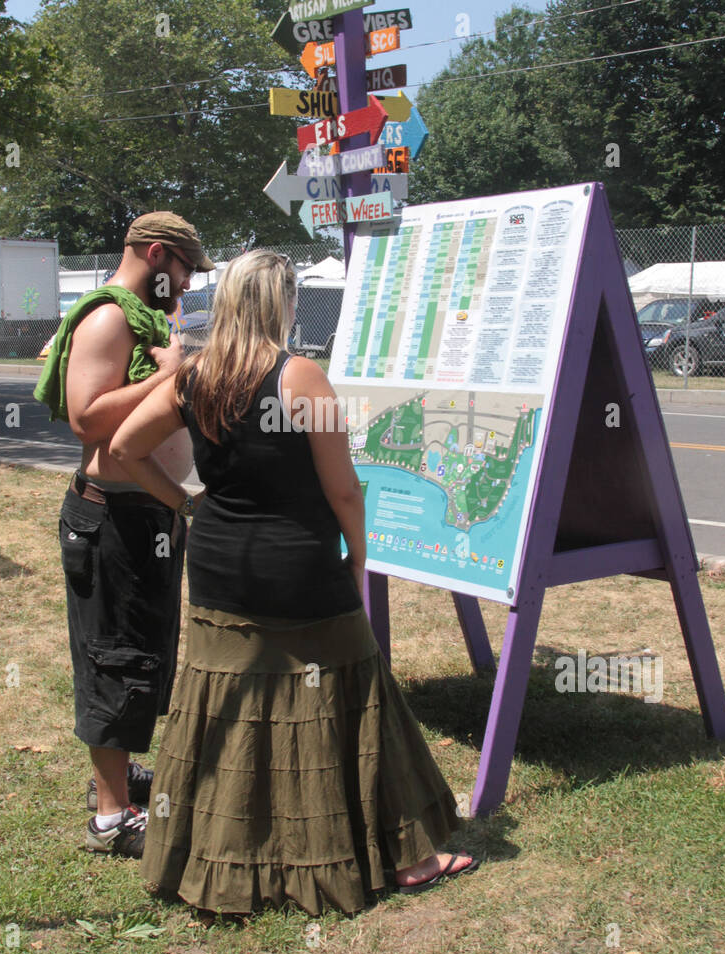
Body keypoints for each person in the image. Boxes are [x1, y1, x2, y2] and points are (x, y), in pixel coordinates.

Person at [109, 249, 479, 915]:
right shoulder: (300, 376)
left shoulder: (193, 378)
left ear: (226, 302)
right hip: (302, 567)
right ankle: (411, 859)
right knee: (355, 696)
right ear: (279, 303)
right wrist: (359, 559)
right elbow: (343, 490)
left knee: (228, 705)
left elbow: (122, 450)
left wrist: (185, 501)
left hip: (221, 567)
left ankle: (209, 857)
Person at [34, 211, 214, 859]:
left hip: (141, 513)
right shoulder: (110, 317)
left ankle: (115, 776)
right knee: (113, 651)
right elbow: (88, 418)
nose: (188, 286)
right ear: (158, 253)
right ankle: (112, 817)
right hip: (110, 516)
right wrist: (174, 373)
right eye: (185, 271)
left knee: (138, 646)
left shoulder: (144, 319)